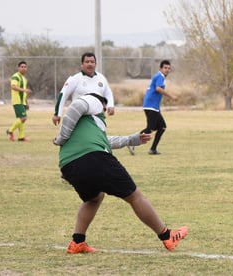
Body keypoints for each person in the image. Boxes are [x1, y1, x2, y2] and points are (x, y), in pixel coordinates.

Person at [54, 94, 188, 253]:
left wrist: (131, 140)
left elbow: (104, 141)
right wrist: (61, 138)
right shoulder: (94, 101)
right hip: (93, 157)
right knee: (135, 196)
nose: (104, 113)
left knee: (94, 198)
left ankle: (78, 242)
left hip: (69, 164)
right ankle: (167, 236)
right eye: (104, 110)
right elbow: (76, 107)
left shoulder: (86, 125)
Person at [127, 60, 178, 155]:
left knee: (162, 127)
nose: (167, 70)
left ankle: (153, 149)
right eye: (165, 68)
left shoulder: (159, 76)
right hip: (151, 106)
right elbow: (158, 88)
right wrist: (171, 96)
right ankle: (130, 141)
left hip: (153, 106)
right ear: (160, 68)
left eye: (168, 68)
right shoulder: (160, 76)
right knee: (150, 129)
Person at [52, 52, 115, 127]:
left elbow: (108, 93)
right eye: (87, 62)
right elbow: (63, 95)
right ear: (82, 65)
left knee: (97, 138)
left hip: (98, 117)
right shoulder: (75, 79)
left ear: (95, 64)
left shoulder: (101, 78)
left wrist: (110, 105)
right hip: (80, 117)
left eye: (92, 62)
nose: (90, 64)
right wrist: (57, 114)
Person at [6, 61, 32, 142]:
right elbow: (13, 87)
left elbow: (24, 93)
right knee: (24, 118)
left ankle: (21, 137)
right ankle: (10, 130)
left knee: (22, 119)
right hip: (17, 101)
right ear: (18, 68)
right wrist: (25, 90)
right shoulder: (15, 76)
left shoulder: (24, 79)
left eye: (25, 67)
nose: (24, 68)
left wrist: (27, 102)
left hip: (22, 102)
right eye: (22, 67)